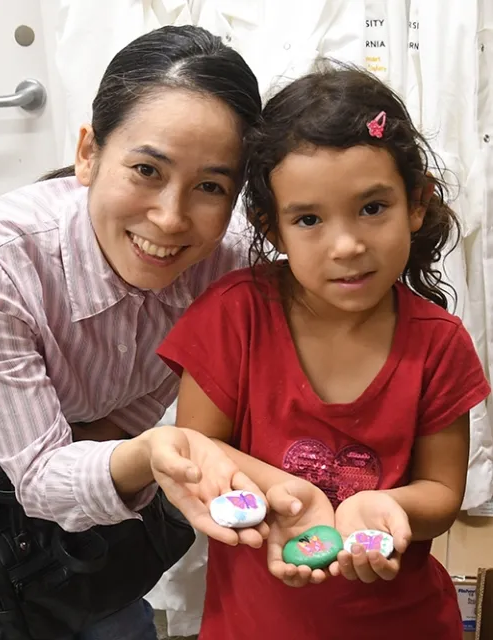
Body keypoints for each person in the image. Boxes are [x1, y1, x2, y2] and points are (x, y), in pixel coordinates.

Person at [0, 25, 269, 640]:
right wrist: (145, 451)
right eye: (146, 169)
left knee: (115, 614)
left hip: (93, 463)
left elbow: (162, 375)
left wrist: (118, 436)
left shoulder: (226, 264)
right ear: (89, 153)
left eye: (210, 187)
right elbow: (37, 478)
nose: (170, 219)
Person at [157, 62, 491, 640]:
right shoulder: (235, 314)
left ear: (416, 203)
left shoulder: (439, 343)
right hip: (254, 625)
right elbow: (195, 448)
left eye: (372, 207)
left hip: (404, 624)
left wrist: (387, 510)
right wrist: (288, 494)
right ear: (273, 227)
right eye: (308, 219)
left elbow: (441, 493)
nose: (346, 245)